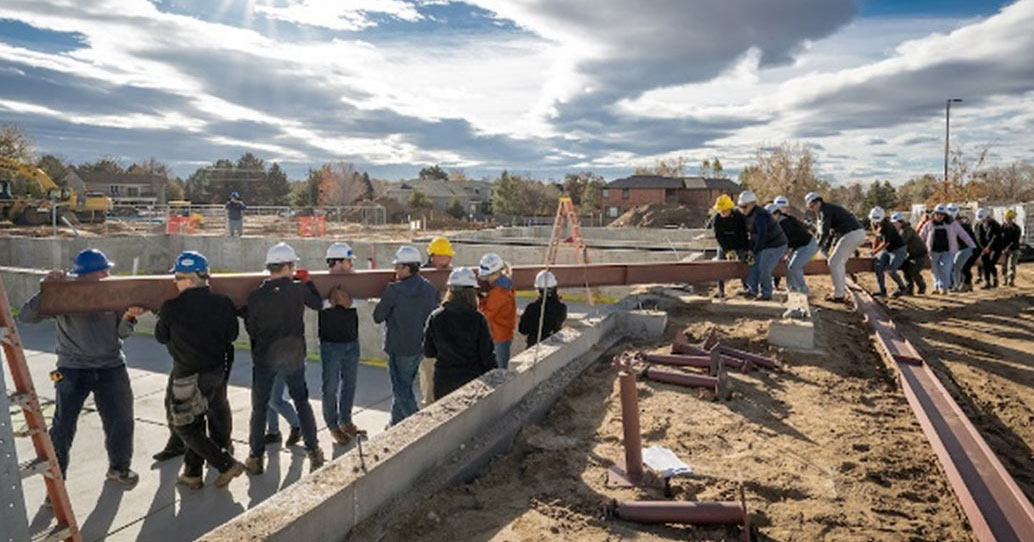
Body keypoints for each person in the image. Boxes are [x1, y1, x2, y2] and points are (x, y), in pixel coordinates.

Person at [18, 249, 143, 487]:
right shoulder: (65, 293)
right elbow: (26, 316)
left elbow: (121, 333)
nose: (108, 273)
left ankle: (119, 469)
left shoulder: (113, 292)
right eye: (103, 270)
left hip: (111, 367)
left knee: (121, 421)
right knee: (63, 427)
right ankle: (56, 483)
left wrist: (129, 317)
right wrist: (48, 287)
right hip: (72, 369)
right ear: (88, 275)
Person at [155, 251, 245, 489]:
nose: (174, 282)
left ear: (190, 279)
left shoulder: (171, 307)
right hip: (216, 372)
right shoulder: (223, 303)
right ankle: (193, 473)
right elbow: (232, 335)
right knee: (209, 418)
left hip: (187, 377)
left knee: (185, 426)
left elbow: (161, 336)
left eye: (177, 277)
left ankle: (226, 464)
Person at [243, 242, 325, 474]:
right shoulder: (298, 289)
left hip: (264, 358)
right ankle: (314, 451)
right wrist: (308, 282)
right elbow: (318, 304)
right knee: (301, 402)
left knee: (259, 408)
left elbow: (252, 329)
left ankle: (255, 457)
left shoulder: (257, 296)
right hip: (294, 356)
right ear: (289, 266)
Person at [372, 246, 440, 425]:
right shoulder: (430, 289)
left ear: (407, 268)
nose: (395, 270)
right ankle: (395, 424)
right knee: (405, 386)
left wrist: (386, 296)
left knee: (402, 390)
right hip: (420, 346)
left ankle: (417, 426)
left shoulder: (395, 290)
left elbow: (378, 316)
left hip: (398, 347)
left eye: (398, 267)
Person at [422, 267, 497, 401]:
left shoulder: (436, 317)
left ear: (450, 289)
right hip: (472, 381)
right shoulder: (477, 318)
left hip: (444, 382)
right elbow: (487, 355)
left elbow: (429, 351)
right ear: (472, 291)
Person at [320, 242, 363, 445]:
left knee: (350, 383)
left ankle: (346, 420)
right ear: (337, 261)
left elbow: (365, 296)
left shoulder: (353, 280)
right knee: (330, 386)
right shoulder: (322, 282)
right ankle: (333, 425)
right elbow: (312, 302)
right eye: (348, 260)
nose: (351, 264)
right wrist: (330, 302)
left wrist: (350, 302)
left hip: (351, 341)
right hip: (331, 344)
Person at [805, 192, 866, 303]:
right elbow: (830, 234)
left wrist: (816, 248)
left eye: (812, 206)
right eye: (810, 208)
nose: (812, 209)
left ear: (818, 202)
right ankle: (839, 291)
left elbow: (824, 232)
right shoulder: (828, 209)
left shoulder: (825, 211)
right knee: (838, 262)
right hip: (856, 233)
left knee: (834, 262)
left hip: (851, 234)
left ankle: (839, 295)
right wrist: (825, 248)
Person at [420, 237, 453, 406]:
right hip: (429, 336)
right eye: (445, 256)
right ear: (434, 256)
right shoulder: (422, 277)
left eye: (449, 257)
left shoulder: (451, 274)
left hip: (448, 336)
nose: (448, 260)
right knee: (428, 375)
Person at [738, 191, 787, 301]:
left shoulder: (760, 215)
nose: (743, 209)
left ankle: (766, 294)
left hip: (775, 245)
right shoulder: (747, 215)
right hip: (763, 245)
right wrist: (749, 249)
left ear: (753, 204)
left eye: (745, 206)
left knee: (764, 268)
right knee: (753, 265)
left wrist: (754, 251)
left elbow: (762, 235)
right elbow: (750, 235)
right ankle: (752, 290)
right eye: (741, 207)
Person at [919, 204, 975, 295]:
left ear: (945, 215)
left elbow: (963, 234)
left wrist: (971, 245)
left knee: (946, 268)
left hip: (948, 251)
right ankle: (936, 287)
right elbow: (921, 236)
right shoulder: (929, 224)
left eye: (942, 214)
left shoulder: (952, 224)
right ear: (934, 214)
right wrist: (920, 247)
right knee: (935, 270)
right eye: (937, 214)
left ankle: (944, 287)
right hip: (933, 251)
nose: (939, 216)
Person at [770, 198, 818, 295]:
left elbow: (784, 242)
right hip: (800, 245)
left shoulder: (784, 223)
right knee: (789, 265)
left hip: (807, 245)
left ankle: (804, 291)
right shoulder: (785, 220)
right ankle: (792, 290)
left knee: (794, 267)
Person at [478, 253, 517, 367]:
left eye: (488, 276)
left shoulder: (498, 293)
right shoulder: (507, 286)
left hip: (498, 336)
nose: (487, 280)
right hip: (504, 334)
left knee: (498, 372)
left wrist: (478, 302)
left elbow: (486, 316)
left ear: (496, 273)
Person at [709, 194, 749, 298]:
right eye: (720, 210)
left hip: (739, 242)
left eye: (724, 210)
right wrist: (727, 251)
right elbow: (719, 237)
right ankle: (721, 290)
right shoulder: (716, 220)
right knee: (720, 265)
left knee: (744, 263)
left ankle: (748, 288)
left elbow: (743, 234)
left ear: (729, 208)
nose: (722, 212)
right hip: (725, 244)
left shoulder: (739, 217)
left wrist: (744, 250)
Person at [518, 270, 568, 347]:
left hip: (533, 346)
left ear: (538, 290)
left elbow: (523, 330)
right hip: (553, 347)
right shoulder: (561, 308)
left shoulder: (532, 308)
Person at [868, 206, 909, 297]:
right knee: (879, 268)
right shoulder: (876, 225)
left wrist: (875, 252)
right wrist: (873, 250)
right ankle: (882, 290)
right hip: (888, 250)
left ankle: (902, 287)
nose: (875, 221)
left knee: (891, 270)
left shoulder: (888, 226)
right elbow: (877, 239)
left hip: (898, 250)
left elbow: (886, 242)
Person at [891, 213, 928, 295]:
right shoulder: (899, 231)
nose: (894, 225)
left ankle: (922, 285)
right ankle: (909, 289)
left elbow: (901, 243)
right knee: (906, 270)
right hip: (910, 254)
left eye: (895, 223)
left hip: (920, 254)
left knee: (913, 270)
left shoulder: (907, 231)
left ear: (901, 222)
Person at [949, 205, 978, 292]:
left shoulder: (963, 226)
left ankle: (958, 286)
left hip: (965, 249)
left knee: (957, 267)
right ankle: (965, 285)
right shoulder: (959, 225)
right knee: (961, 268)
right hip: (961, 249)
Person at [974, 208, 1003, 289]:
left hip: (996, 248)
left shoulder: (995, 225)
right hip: (984, 248)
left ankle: (994, 278)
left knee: (991, 263)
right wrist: (983, 248)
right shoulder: (979, 225)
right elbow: (978, 237)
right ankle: (987, 281)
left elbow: (996, 238)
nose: (983, 221)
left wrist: (989, 247)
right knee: (985, 262)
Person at [1000, 209, 1022, 286]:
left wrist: (1008, 247)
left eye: (1010, 218)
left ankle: (1011, 280)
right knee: (1004, 265)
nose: (1008, 220)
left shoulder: (1016, 228)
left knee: (1011, 265)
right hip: (1003, 250)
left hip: (1014, 249)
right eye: (1007, 218)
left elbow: (1015, 240)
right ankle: (1005, 279)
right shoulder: (1001, 228)